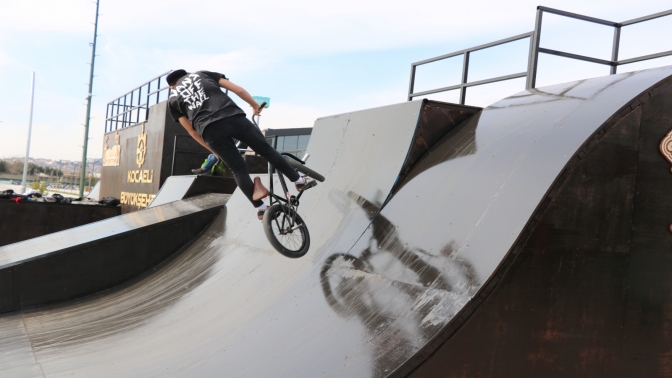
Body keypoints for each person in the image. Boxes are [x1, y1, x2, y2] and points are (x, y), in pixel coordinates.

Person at [166, 69, 315, 220]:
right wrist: (254, 105)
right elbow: (238, 90)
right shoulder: (201, 74)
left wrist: (213, 151)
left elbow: (192, 132)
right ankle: (299, 181)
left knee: (238, 170)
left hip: (209, 131)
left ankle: (261, 208)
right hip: (232, 117)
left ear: (172, 86)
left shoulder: (172, 100)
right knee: (266, 150)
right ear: (186, 74)